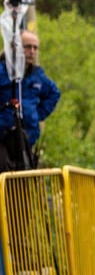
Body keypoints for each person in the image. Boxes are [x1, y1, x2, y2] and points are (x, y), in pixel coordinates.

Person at [0, 30, 61, 171]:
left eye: (35, 47)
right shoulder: (2, 71)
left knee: (23, 185)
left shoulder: (37, 75)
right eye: (27, 47)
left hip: (26, 141)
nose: (32, 51)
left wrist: (36, 115)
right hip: (2, 139)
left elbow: (54, 93)